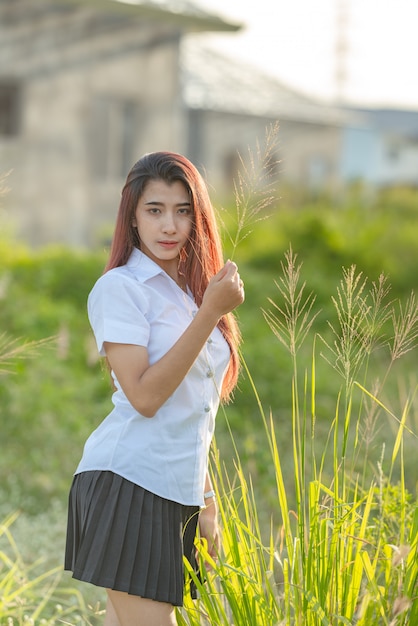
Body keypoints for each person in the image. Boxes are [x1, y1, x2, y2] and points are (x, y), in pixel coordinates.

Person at [64, 151, 244, 626]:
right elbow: (145, 398)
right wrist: (211, 313)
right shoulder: (120, 289)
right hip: (128, 481)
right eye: (155, 210)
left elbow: (195, 413)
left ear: (197, 218)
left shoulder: (189, 295)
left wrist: (207, 503)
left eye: (183, 211)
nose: (170, 225)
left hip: (178, 491)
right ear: (133, 217)